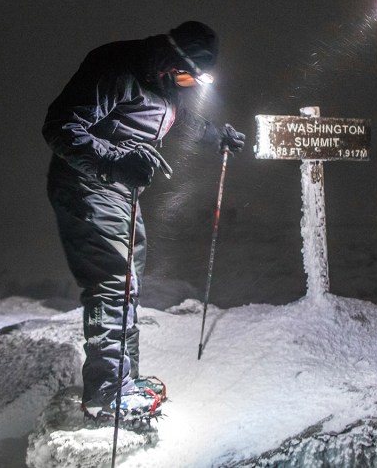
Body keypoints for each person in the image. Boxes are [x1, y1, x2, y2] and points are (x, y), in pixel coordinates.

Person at [42, 21, 245, 420]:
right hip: (86, 184)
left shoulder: (166, 84)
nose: (190, 84)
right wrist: (114, 161)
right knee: (112, 282)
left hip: (121, 190)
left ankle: (124, 380)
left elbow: (180, 118)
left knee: (127, 283)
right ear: (172, 62)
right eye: (189, 75)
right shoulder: (118, 67)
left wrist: (216, 135)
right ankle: (106, 392)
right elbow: (60, 124)